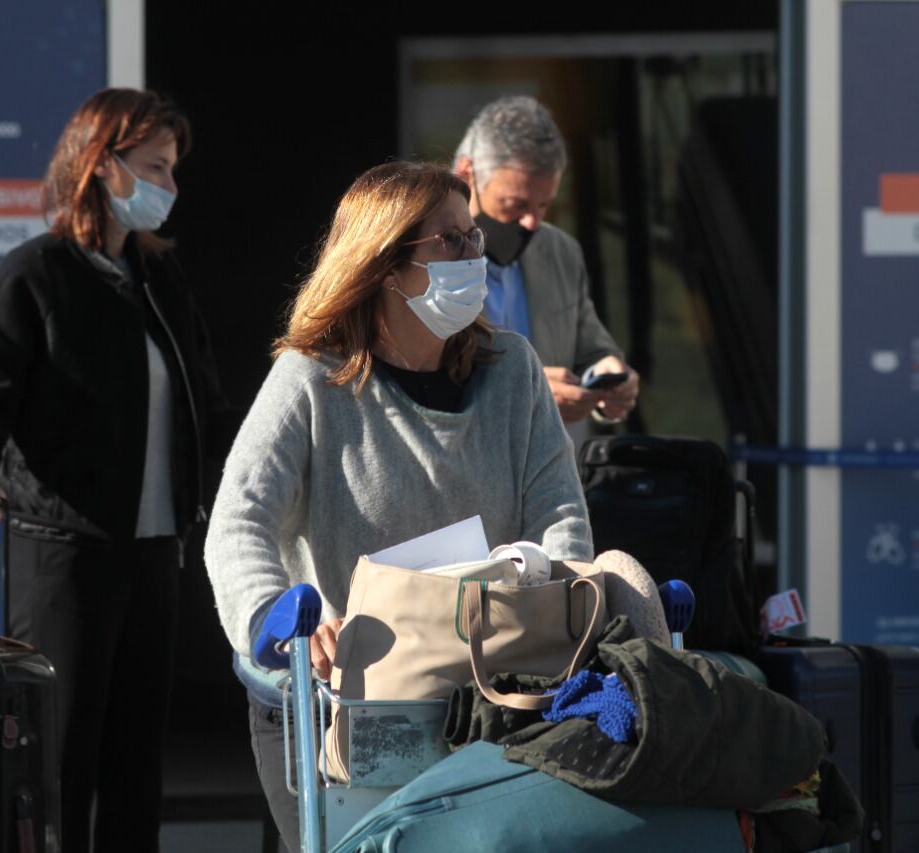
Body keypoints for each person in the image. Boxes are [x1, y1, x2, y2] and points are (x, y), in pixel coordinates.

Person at [204, 161, 593, 852]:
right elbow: (238, 521)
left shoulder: (513, 368)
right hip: (335, 703)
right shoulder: (311, 377)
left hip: (479, 692)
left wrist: (555, 585)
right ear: (386, 264)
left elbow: (560, 513)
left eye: (475, 236)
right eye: (450, 241)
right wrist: (278, 617)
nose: (474, 254)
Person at [0, 88, 231, 853]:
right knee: (59, 753)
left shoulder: (161, 281)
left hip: (153, 552)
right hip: (64, 550)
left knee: (136, 759)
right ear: (103, 166)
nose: (171, 185)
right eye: (156, 167)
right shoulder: (37, 273)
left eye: (174, 169)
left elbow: (204, 396)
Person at [453, 95, 641, 440]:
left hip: (552, 483)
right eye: (515, 204)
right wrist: (526, 390)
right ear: (467, 175)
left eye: (545, 204)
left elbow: (590, 348)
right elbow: (409, 377)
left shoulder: (561, 252)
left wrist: (610, 378)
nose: (531, 222)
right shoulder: (420, 255)